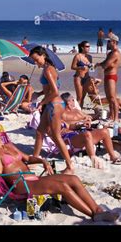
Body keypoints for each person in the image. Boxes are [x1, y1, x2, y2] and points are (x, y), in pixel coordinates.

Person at [0, 121, 120, 222]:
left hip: (31, 178)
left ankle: (98, 210)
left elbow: (27, 157)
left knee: (74, 179)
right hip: (19, 184)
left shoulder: (9, 145)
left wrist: (43, 161)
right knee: (62, 187)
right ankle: (93, 215)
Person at [29, 46, 74, 174]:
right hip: (51, 104)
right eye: (34, 60)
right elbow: (48, 89)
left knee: (56, 135)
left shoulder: (48, 70)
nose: (36, 62)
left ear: (43, 55)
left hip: (54, 105)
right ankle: (35, 158)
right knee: (39, 132)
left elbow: (55, 91)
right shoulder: (48, 68)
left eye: (36, 59)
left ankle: (70, 166)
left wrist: (41, 103)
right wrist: (38, 94)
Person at [95, 34, 121, 122]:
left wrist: (101, 65)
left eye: (109, 41)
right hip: (107, 76)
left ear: (114, 42)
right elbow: (105, 62)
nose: (107, 43)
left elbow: (106, 65)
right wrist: (98, 64)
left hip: (111, 76)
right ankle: (112, 115)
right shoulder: (110, 53)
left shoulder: (115, 53)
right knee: (109, 98)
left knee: (113, 98)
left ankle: (116, 117)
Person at [71, 41, 92, 108]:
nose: (88, 48)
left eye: (89, 46)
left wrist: (92, 67)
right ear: (82, 48)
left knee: (83, 97)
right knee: (79, 97)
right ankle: (77, 112)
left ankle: (80, 111)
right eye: (87, 46)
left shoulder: (89, 57)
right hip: (79, 78)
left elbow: (91, 68)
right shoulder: (77, 56)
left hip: (86, 78)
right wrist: (80, 67)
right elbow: (72, 67)